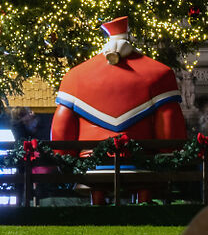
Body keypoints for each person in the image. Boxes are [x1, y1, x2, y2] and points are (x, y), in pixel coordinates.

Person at [48, 16, 187, 143]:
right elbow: (171, 137)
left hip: (89, 165)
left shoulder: (74, 76)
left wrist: (68, 166)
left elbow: (61, 138)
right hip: (143, 163)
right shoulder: (161, 73)